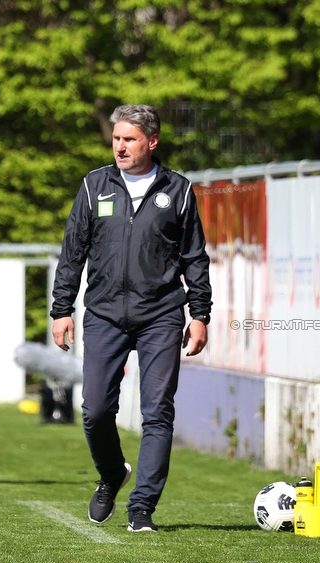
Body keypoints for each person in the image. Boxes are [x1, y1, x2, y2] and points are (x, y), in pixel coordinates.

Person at [51, 104, 211, 533]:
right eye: (116, 138)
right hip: (103, 314)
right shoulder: (93, 185)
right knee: (95, 409)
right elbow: (73, 252)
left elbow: (195, 256)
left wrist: (199, 314)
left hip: (162, 314)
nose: (120, 146)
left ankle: (142, 508)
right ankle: (110, 475)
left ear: (151, 142)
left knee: (157, 412)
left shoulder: (177, 190)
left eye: (129, 139)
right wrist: (61, 309)